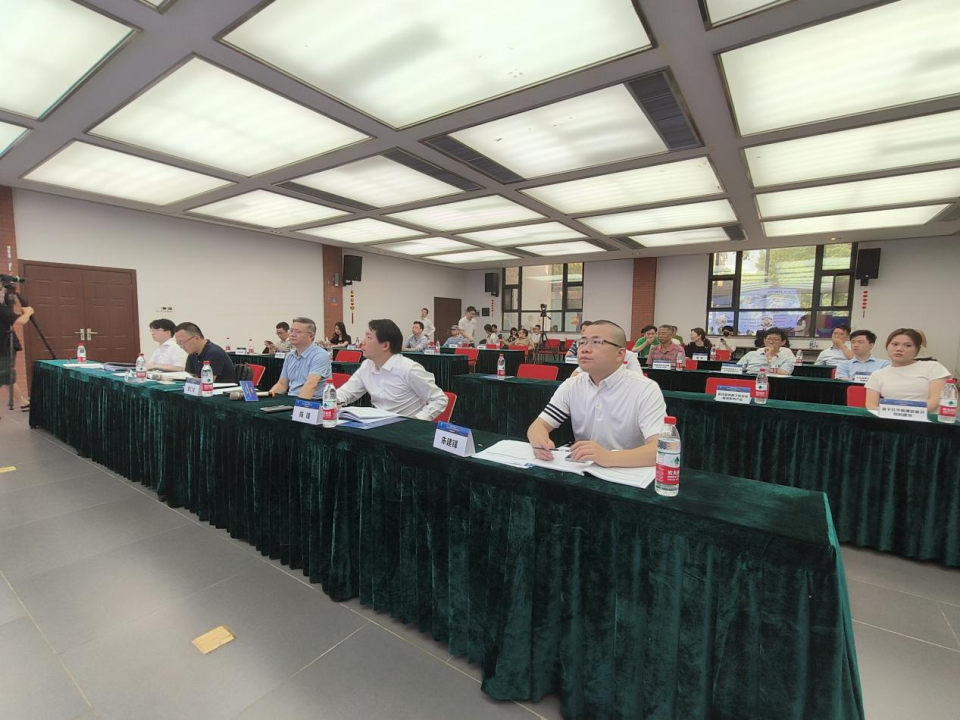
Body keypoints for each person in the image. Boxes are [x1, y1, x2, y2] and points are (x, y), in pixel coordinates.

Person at [527, 320, 666, 467]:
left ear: (620, 354)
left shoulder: (645, 389)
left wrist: (609, 457)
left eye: (596, 342)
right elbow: (539, 425)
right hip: (583, 469)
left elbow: (662, 448)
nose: (585, 349)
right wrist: (539, 442)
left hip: (626, 472)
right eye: (582, 342)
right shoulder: (572, 385)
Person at [336, 319, 448, 420]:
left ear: (385, 345)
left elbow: (439, 399)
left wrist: (417, 421)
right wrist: (333, 400)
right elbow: (347, 391)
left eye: (369, 337)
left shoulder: (409, 369)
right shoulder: (367, 365)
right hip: (376, 424)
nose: (362, 342)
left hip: (404, 429)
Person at [865, 328, 951, 412]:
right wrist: (892, 414)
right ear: (887, 346)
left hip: (926, 418)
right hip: (889, 418)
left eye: (908, 345)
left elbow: (936, 400)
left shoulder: (932, 367)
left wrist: (907, 413)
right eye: (895, 344)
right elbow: (871, 405)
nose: (899, 349)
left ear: (917, 349)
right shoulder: (877, 374)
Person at [268, 317, 331, 400]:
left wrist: (298, 405)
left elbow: (311, 385)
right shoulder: (290, 356)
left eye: (298, 332)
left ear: (311, 336)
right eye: (291, 331)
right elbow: (282, 384)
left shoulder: (320, 355)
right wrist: (268, 398)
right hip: (292, 399)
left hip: (313, 401)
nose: (292, 334)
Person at [0, 287, 33, 412]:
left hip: (4, 345)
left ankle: (23, 402)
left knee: (7, 376)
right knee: (6, 375)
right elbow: (21, 320)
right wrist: (28, 312)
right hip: (4, 347)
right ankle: (23, 402)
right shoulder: (1, 308)